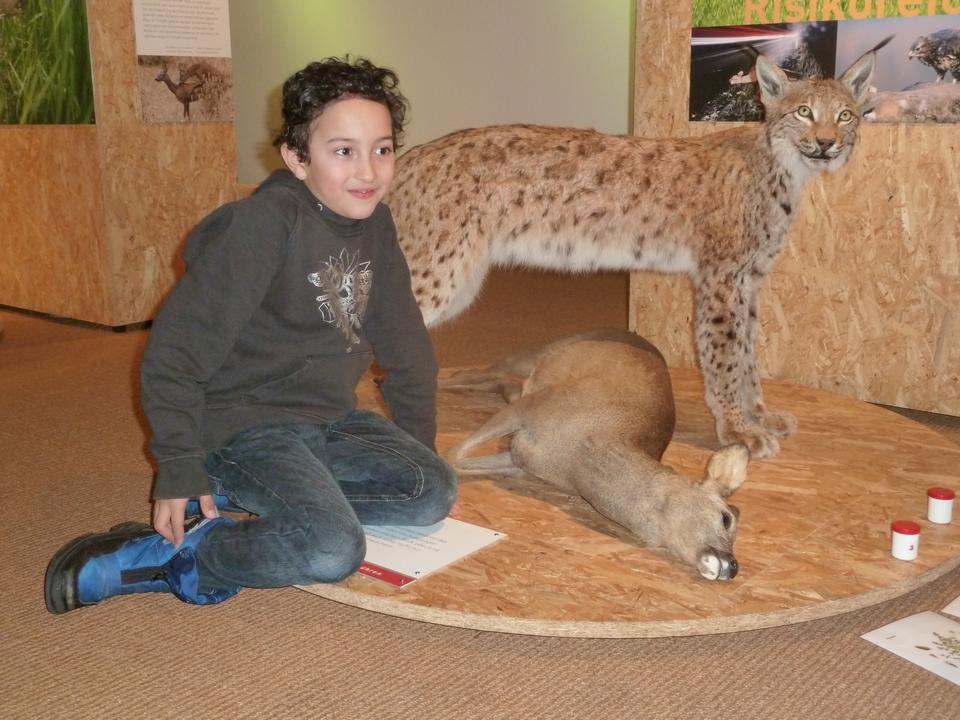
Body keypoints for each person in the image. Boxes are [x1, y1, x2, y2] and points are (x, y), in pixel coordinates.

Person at [44, 57, 457, 613]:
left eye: (382, 149)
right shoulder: (263, 225)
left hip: (327, 418)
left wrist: (419, 449)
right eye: (343, 151)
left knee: (432, 491)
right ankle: (187, 556)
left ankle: (251, 494)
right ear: (297, 157)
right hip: (243, 424)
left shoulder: (375, 225)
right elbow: (175, 355)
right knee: (330, 547)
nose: (368, 171)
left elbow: (409, 350)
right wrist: (179, 466)